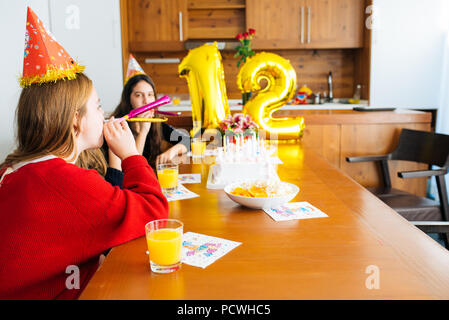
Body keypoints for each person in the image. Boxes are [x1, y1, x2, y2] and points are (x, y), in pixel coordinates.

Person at [0, 7, 169, 300]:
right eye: (98, 106)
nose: (104, 115)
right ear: (76, 120)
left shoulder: (13, 169)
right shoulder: (68, 182)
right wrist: (130, 154)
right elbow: (154, 212)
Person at [106, 55, 190, 174]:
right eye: (139, 95)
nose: (146, 101)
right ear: (128, 98)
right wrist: (143, 132)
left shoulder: (155, 122)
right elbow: (129, 170)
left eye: (150, 95)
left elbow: (187, 140)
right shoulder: (118, 126)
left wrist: (172, 151)